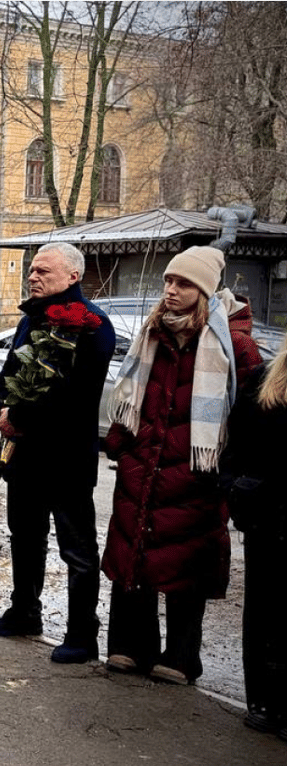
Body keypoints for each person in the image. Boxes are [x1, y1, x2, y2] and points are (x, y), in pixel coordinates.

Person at [101, 246, 261, 684]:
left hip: (197, 472)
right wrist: (122, 447)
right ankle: (129, 647)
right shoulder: (152, 332)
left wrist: (231, 471)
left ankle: (181, 656)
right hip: (143, 464)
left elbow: (253, 414)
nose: (171, 290)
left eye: (183, 283)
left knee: (185, 565)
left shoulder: (236, 344)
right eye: (169, 281)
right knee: (132, 557)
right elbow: (130, 399)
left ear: (204, 290)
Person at [0, 242, 116, 664]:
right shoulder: (31, 317)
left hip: (66, 455)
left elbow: (75, 393)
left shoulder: (92, 326)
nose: (33, 276)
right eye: (32, 270)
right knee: (25, 535)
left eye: (44, 271)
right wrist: (4, 406)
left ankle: (81, 634)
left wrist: (22, 415)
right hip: (25, 453)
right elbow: (11, 375)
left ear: (73, 276)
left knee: (76, 548)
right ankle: (24, 612)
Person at [221, 333, 287, 735]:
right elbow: (236, 444)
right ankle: (263, 698)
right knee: (263, 610)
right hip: (268, 517)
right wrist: (236, 489)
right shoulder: (266, 378)